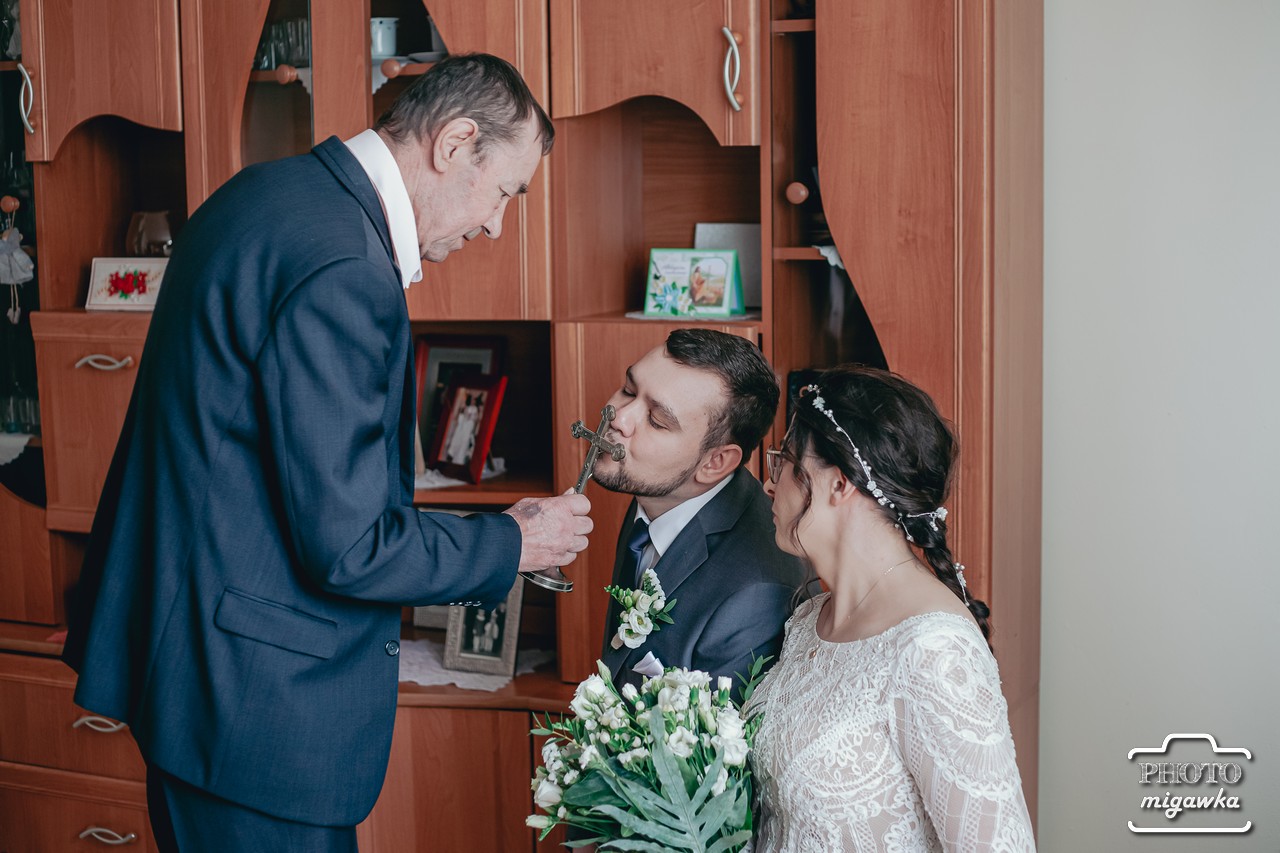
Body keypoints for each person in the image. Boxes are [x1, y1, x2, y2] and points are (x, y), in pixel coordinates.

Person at [60, 54, 593, 853]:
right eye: (505, 192)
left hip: (189, 664)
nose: (495, 225)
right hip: (255, 715)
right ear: (454, 143)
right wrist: (513, 541)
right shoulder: (347, 268)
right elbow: (349, 545)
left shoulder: (266, 192)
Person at [747, 366, 1035, 852]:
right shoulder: (808, 619)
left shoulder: (933, 650)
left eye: (786, 463)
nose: (768, 484)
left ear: (840, 484)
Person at [593, 328, 807, 696]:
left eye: (657, 420)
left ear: (714, 463)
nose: (619, 418)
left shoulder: (755, 596)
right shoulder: (658, 486)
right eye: (628, 390)